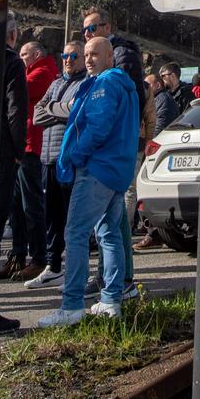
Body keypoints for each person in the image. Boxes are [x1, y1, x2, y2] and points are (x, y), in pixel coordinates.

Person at [37, 35, 138, 328]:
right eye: (87, 54)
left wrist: (76, 156)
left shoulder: (105, 85)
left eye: (95, 54)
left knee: (76, 234)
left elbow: (97, 128)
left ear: (110, 57)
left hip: (96, 171)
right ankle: (110, 301)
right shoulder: (123, 86)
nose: (89, 59)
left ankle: (71, 307)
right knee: (109, 234)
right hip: (116, 172)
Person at [82, 8, 152, 291]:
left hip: (116, 144)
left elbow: (122, 97)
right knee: (113, 216)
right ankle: (118, 277)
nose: (87, 35)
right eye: (85, 30)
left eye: (92, 28)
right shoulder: (105, 59)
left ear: (107, 26)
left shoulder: (121, 55)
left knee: (113, 215)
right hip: (111, 144)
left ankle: (118, 279)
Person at [24, 40, 88, 291]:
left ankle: (73, 270)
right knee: (51, 217)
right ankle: (53, 267)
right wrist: (61, 109)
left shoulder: (85, 83)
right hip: (47, 158)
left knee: (71, 219)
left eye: (74, 56)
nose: (69, 60)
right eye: (65, 55)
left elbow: (78, 112)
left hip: (69, 159)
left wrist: (52, 108)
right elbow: (38, 116)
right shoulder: (56, 83)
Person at [0, 21, 35, 280]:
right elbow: (17, 111)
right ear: (13, 35)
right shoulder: (11, 63)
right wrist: (18, 150)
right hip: (1, 153)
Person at [11, 39, 56, 276]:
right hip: (23, 146)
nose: (20, 58)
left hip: (33, 147)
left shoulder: (44, 72)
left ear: (37, 54)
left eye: (24, 54)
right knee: (17, 204)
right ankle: (18, 255)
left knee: (32, 205)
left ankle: (38, 258)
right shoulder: (34, 71)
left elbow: (16, 89)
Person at [152, 65, 184, 132]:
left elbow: (186, 119)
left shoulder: (187, 94)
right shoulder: (163, 95)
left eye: (163, 76)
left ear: (173, 75)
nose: (161, 79)